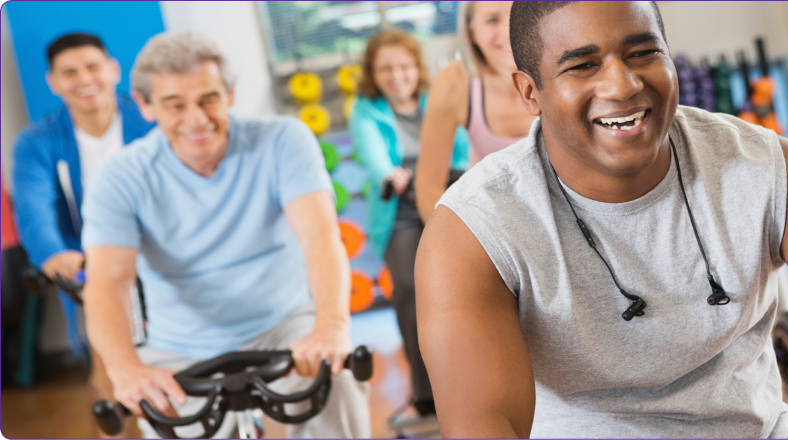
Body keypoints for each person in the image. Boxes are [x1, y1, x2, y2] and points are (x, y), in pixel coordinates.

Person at [415, 2, 788, 438]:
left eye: (642, 52)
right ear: (530, 92)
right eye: (582, 65)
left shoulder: (766, 167)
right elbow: (487, 423)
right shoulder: (474, 231)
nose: (621, 84)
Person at [80, 32, 370, 438]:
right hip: (180, 344)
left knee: (335, 382)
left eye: (208, 99)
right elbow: (109, 283)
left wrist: (332, 326)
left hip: (284, 322)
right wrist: (124, 366)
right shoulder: (120, 177)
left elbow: (320, 236)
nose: (197, 118)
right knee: (161, 414)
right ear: (146, 106)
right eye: (175, 105)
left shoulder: (283, 139)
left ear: (230, 94)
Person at [10, 32, 155, 433]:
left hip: (163, 256)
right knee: (109, 369)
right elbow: (33, 208)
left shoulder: (150, 120)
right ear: (53, 82)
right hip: (94, 267)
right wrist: (54, 255)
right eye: (69, 72)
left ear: (113, 70)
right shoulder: (37, 142)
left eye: (92, 67)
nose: (84, 78)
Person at [351, 29, 470, 423]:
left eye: (403, 66)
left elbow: (459, 145)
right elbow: (374, 158)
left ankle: (471, 382)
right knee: (409, 292)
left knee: (467, 291)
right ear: (373, 73)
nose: (396, 75)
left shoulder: (434, 96)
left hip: (444, 201)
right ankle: (426, 393)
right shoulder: (365, 109)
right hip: (399, 211)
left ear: (415, 67)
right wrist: (390, 174)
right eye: (386, 68)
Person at [413, 0, 535, 222]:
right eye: (492, 20)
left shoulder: (564, 67)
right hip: (500, 221)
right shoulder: (455, 83)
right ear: (471, 33)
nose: (508, 30)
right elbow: (429, 185)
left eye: (517, 15)